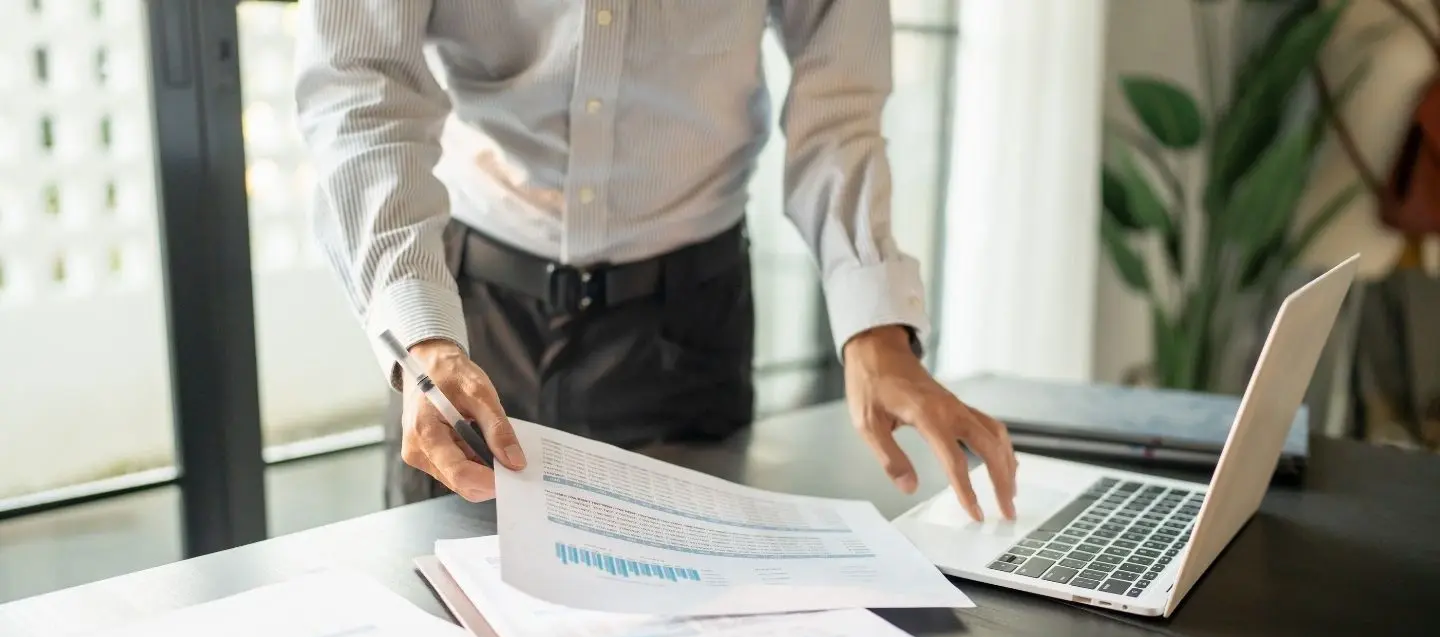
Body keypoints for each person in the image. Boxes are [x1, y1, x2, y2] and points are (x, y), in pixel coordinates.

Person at [294, 1, 1017, 522]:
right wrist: (420, 333)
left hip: (685, 327)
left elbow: (840, 105)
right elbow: (360, 88)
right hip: (467, 321)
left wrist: (877, 329)